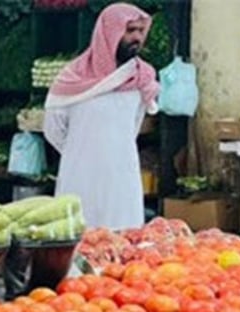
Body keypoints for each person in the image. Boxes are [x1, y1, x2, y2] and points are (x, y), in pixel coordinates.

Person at [43, 3, 159, 231]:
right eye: (130, 30)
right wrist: (83, 153)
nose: (137, 37)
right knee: (79, 238)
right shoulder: (72, 77)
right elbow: (53, 129)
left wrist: (112, 152)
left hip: (122, 176)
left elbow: (133, 127)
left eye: (140, 31)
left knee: (124, 240)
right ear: (109, 32)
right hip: (80, 175)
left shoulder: (141, 78)